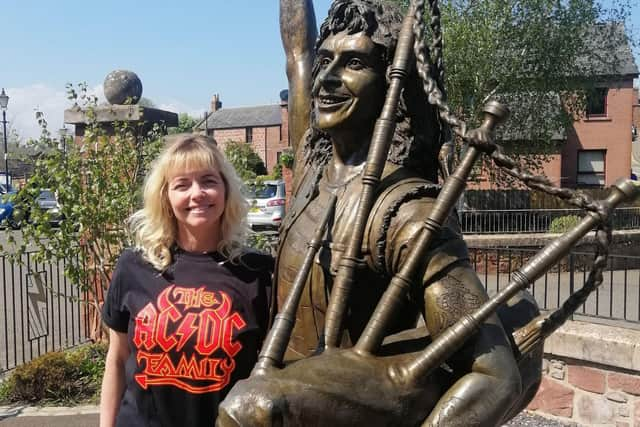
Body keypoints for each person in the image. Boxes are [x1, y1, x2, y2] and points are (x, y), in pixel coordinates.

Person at [270, 0, 539, 424]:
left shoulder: (408, 212)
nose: (328, 79)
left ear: (392, 85)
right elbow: (295, 56)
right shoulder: (310, 167)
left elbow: (494, 373)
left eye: (354, 62)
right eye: (326, 61)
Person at [100, 135, 273, 427]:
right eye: (182, 184)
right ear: (165, 196)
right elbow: (117, 359)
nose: (197, 194)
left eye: (208, 181)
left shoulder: (258, 272)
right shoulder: (134, 266)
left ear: (225, 189)